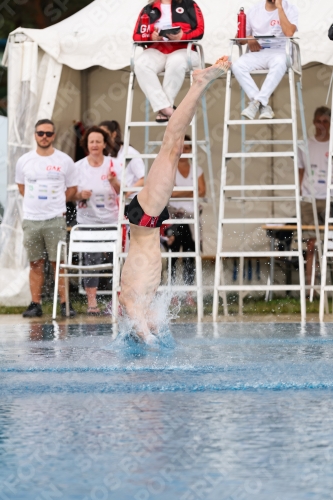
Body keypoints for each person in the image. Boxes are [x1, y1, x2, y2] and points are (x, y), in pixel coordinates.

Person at [119, 57, 230, 342]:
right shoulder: (145, 308)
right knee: (176, 146)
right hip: (148, 219)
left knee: (171, 144)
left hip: (145, 217)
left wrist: (149, 340)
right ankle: (198, 84)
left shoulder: (129, 302)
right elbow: (155, 327)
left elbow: (145, 331)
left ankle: (199, 83)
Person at [15, 119, 78, 318]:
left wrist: (57, 203)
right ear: (35, 135)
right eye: (40, 133)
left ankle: (65, 304)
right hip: (32, 219)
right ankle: (35, 304)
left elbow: (72, 188)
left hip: (55, 219)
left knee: (58, 263)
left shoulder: (64, 160)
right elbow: (21, 187)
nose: (44, 137)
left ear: (54, 136)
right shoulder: (24, 160)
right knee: (35, 263)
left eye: (48, 134)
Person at [133, 0, 204, 122]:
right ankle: (166, 109)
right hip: (157, 49)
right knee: (140, 64)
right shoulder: (148, 9)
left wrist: (182, 36)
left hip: (183, 49)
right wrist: (151, 36)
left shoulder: (189, 4)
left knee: (176, 62)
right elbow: (136, 35)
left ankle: (165, 109)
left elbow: (200, 30)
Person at [75, 126, 120, 315]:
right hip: (88, 222)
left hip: (111, 221)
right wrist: (79, 194)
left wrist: (113, 181)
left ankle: (117, 302)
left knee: (117, 261)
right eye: (91, 141)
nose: (94, 145)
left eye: (98, 141)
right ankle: (92, 303)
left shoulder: (114, 163)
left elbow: (122, 191)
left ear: (104, 144)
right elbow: (69, 194)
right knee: (91, 262)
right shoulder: (78, 167)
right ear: (86, 144)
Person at [232, 0, 298, 120]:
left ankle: (256, 103)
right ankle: (262, 104)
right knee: (237, 65)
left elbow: (289, 32)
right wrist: (249, 38)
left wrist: (279, 7)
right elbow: (239, 39)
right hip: (259, 51)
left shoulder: (290, 8)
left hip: (281, 52)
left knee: (279, 62)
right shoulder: (254, 10)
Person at [165, 135, 206, 305]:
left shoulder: (197, 169)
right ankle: (172, 294)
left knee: (190, 256)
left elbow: (202, 192)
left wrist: (179, 192)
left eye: (188, 148)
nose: (185, 151)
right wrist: (191, 191)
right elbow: (168, 192)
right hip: (173, 219)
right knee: (172, 258)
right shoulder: (169, 169)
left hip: (192, 219)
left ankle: (189, 294)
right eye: (183, 148)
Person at [298, 106, 331, 288]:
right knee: (311, 243)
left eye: (325, 121)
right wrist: (299, 195)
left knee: (329, 243)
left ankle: (327, 287)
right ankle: (309, 288)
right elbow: (300, 171)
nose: (321, 125)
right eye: (318, 121)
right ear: (313, 122)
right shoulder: (305, 144)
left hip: (329, 198)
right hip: (308, 198)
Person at [99, 120, 145, 202]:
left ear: (114, 134)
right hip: (111, 202)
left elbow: (143, 179)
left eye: (105, 134)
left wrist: (127, 192)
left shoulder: (129, 152)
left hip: (130, 201)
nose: (102, 137)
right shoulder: (102, 154)